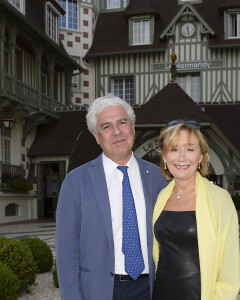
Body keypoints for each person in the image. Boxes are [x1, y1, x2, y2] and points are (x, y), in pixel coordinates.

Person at [56, 95, 167, 300]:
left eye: (122, 122)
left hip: (149, 289)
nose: (117, 132)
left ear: (133, 127)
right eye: (106, 126)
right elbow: (66, 252)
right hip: (98, 290)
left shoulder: (160, 178)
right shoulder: (76, 182)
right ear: (97, 136)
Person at [152, 120, 240, 300]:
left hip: (198, 294)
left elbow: (229, 267)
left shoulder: (219, 199)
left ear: (201, 156)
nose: (182, 157)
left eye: (190, 149)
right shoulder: (162, 196)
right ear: (164, 156)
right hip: (161, 290)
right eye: (174, 149)